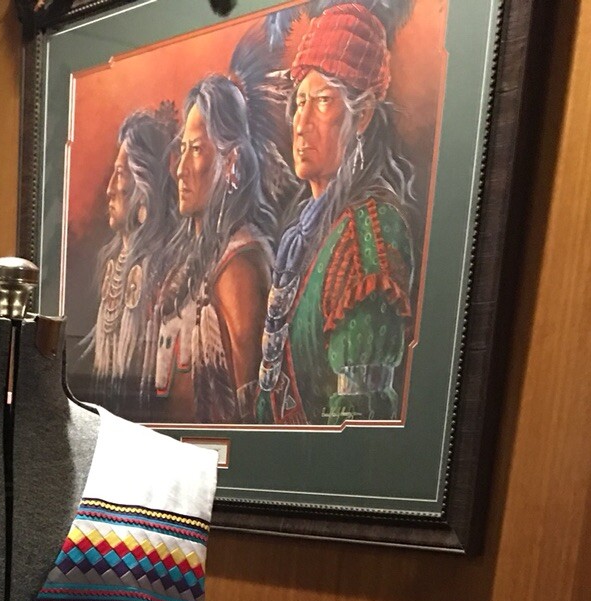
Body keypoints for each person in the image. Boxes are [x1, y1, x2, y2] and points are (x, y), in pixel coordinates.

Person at [258, 1, 416, 425]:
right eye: (300, 101)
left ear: (361, 116)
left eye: (323, 101)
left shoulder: (370, 234)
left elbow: (358, 425)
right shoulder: (304, 232)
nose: (301, 122)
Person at [149, 37, 288, 425]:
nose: (180, 169)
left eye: (196, 150)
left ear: (232, 163)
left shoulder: (239, 266)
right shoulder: (196, 260)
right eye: (182, 149)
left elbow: (251, 415)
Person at [87, 106, 179, 410]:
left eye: (120, 174)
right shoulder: (113, 265)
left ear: (144, 187)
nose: (110, 190)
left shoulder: (167, 275)